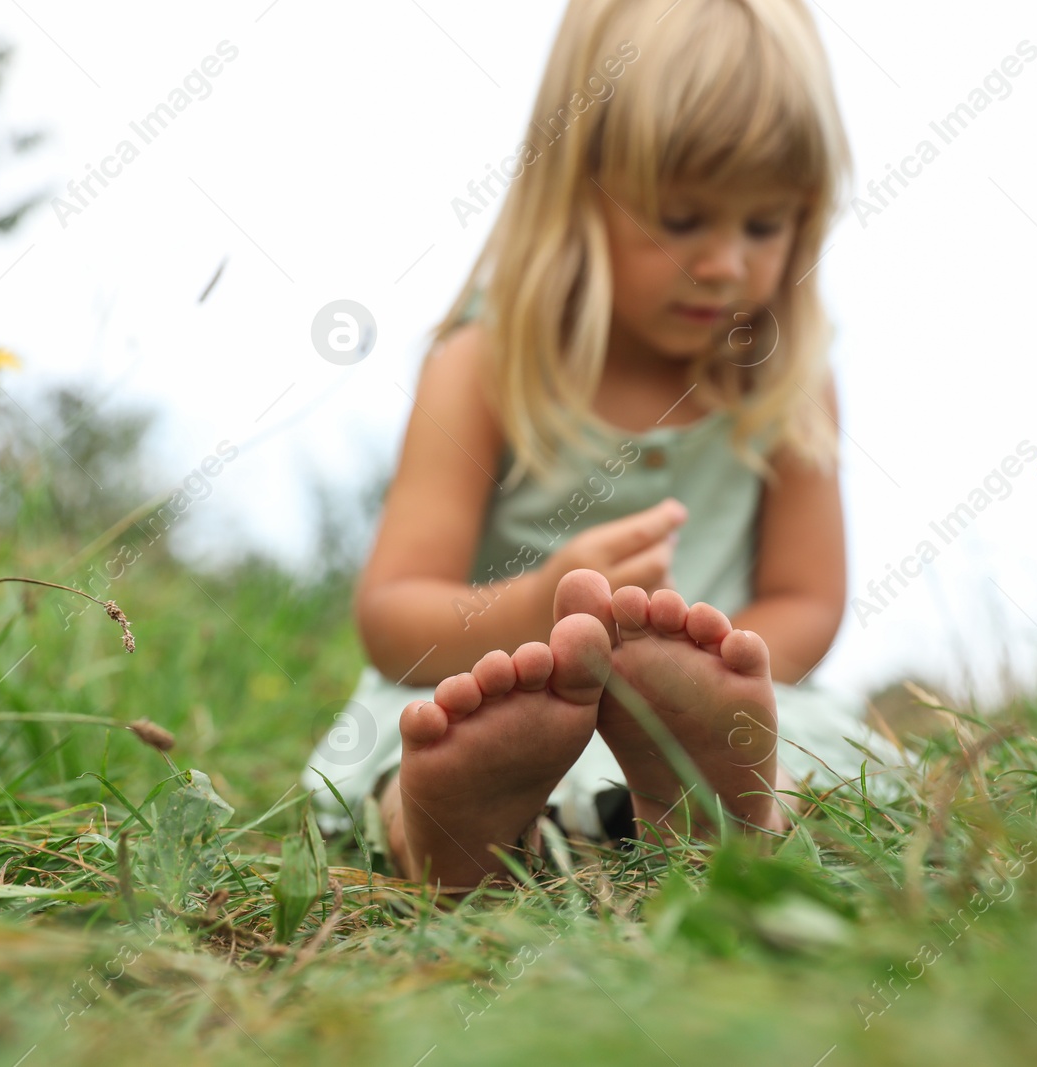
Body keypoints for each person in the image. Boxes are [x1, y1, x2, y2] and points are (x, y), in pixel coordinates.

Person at [298, 0, 910, 889]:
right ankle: (452, 830)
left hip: (740, 700)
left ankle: (713, 799)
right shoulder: (486, 365)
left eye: (765, 226)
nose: (727, 263)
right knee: (428, 740)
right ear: (579, 189)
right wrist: (541, 606)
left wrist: (694, 670)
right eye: (683, 217)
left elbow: (808, 601)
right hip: (498, 691)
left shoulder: (786, 379)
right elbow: (394, 619)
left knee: (797, 751)